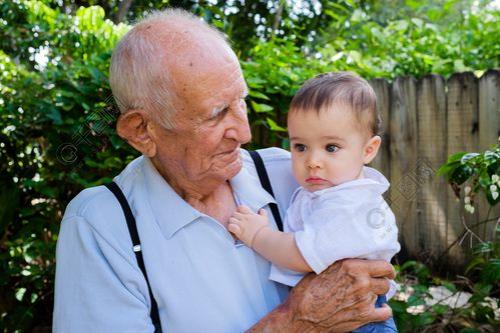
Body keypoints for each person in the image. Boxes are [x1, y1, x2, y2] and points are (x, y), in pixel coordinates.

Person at [53, 9, 396, 333]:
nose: (244, 133)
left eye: (241, 101)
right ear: (142, 130)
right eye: (217, 113)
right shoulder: (101, 225)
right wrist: (293, 322)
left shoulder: (295, 175)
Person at [229, 72, 400, 332]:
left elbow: (302, 256)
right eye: (300, 147)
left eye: (331, 147)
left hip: (360, 321)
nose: (312, 161)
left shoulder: (350, 204)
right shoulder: (327, 192)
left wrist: (257, 235)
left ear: (368, 150)